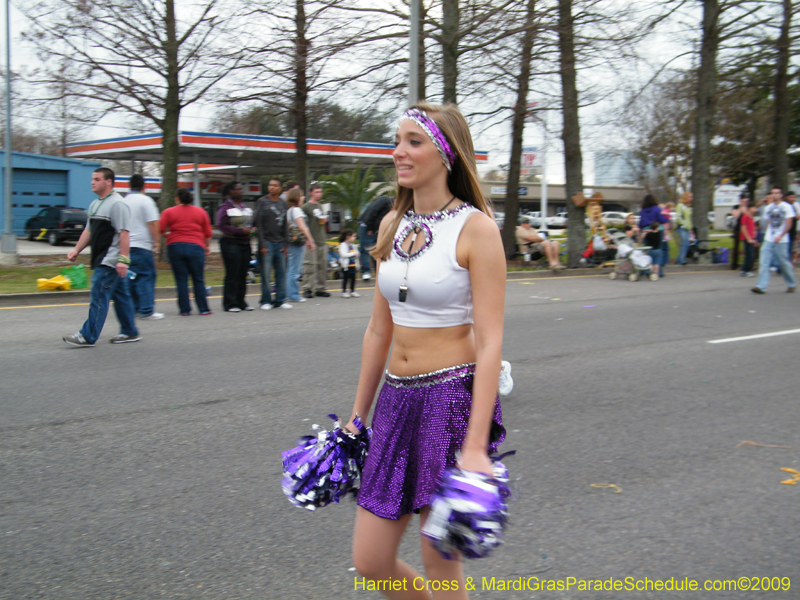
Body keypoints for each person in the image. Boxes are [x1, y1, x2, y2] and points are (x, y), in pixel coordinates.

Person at [343, 102, 506, 599]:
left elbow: (492, 338)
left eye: (413, 141)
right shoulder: (392, 223)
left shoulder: (476, 228)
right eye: (398, 141)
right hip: (395, 402)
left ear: (447, 153)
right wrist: (357, 417)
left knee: (440, 562)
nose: (399, 152)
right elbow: (377, 330)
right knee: (370, 560)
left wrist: (475, 445)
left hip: (448, 403)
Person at [63, 168, 140, 347]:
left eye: (97, 179)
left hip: (110, 260)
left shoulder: (117, 204)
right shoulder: (95, 204)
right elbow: (88, 231)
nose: (92, 182)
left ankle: (87, 336)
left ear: (108, 182)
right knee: (121, 295)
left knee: (98, 295)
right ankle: (130, 332)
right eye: (92, 179)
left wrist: (123, 260)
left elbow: (124, 233)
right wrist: (76, 250)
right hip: (100, 258)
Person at [160, 188, 213, 316]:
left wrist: (167, 235)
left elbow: (160, 227)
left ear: (177, 198)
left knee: (181, 279)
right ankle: (203, 308)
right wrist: (206, 246)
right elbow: (208, 232)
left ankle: (185, 310)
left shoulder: (169, 212)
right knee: (198, 278)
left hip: (175, 246)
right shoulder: (200, 212)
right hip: (196, 246)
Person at [123, 174, 163, 320]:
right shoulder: (146, 200)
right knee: (146, 276)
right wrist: (157, 240)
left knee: (131, 277)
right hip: (142, 244)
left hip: (126, 245)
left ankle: (133, 308)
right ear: (143, 186)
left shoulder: (123, 201)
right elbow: (152, 222)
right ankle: (147, 310)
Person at [216, 181, 254, 312]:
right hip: (231, 243)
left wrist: (252, 229)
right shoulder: (225, 207)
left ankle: (241, 301)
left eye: (241, 189)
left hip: (245, 243)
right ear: (231, 191)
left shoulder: (244, 207)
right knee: (233, 273)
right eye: (238, 189)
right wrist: (239, 231)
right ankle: (230, 303)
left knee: (243, 273)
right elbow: (221, 226)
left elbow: (250, 222)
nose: (241, 191)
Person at [751, 188, 797, 294]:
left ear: (781, 195)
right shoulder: (768, 208)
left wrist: (780, 235)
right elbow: (769, 223)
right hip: (769, 239)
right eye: (773, 193)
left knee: (783, 263)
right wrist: (769, 235)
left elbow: (789, 223)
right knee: (764, 262)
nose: (774, 195)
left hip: (781, 240)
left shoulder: (787, 207)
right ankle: (761, 286)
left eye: (777, 193)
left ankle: (792, 284)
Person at [256, 179, 292, 310]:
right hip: (267, 242)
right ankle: (265, 300)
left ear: (280, 189)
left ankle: (280, 300)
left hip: (280, 243)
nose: (271, 187)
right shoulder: (262, 202)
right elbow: (258, 224)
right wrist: (262, 243)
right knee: (266, 273)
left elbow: (285, 224)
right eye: (270, 185)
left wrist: (286, 243)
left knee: (281, 272)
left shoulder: (283, 203)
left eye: (275, 186)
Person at [285, 188, 315, 303]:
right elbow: (302, 227)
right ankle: (293, 294)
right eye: (301, 195)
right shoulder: (297, 210)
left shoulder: (290, 210)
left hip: (291, 242)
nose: (303, 197)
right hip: (297, 242)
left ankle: (289, 293)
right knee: (295, 269)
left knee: (291, 268)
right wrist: (310, 239)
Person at [301, 183, 330, 298]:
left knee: (322, 266)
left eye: (320, 192)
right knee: (310, 265)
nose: (319, 194)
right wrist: (307, 239)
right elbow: (303, 223)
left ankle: (320, 288)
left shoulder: (320, 206)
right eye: (316, 192)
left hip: (322, 239)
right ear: (311, 193)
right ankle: (307, 288)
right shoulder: (306, 207)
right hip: (311, 240)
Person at [358, 195, 394, 280]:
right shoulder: (385, 200)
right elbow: (372, 211)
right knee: (366, 248)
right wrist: (369, 227)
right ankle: (366, 271)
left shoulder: (395, 209)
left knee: (377, 251)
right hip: (367, 226)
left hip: (376, 229)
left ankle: (378, 271)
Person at [338, 228, 361, 298]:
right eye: (353, 236)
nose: (355, 238)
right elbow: (343, 254)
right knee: (345, 279)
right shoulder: (343, 245)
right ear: (348, 237)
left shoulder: (353, 246)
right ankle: (344, 291)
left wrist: (356, 254)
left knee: (353, 279)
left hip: (353, 265)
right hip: (346, 266)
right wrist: (353, 254)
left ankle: (352, 291)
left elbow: (358, 253)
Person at [739, 204, 758, 277]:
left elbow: (753, 229)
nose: (755, 209)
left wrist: (755, 239)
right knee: (749, 255)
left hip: (752, 238)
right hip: (747, 238)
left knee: (751, 255)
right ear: (749, 208)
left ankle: (746, 269)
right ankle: (745, 270)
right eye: (754, 207)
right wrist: (748, 238)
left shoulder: (752, 218)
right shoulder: (745, 217)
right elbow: (743, 228)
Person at [675, 192, 693, 265]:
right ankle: (681, 260)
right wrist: (684, 224)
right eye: (690, 197)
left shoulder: (687, 207)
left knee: (687, 244)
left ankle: (679, 259)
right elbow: (679, 217)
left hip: (687, 228)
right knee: (684, 243)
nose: (691, 198)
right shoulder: (680, 205)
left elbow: (688, 218)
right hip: (682, 228)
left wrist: (690, 227)